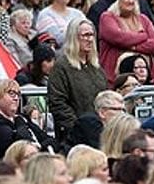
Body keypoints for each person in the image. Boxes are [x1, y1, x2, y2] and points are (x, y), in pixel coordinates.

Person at [46, 18, 108, 149]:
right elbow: (57, 103)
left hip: (100, 132)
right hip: (75, 137)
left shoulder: (96, 67)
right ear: (74, 37)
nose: (90, 39)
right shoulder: (61, 67)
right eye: (85, 35)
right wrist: (79, 127)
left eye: (91, 35)